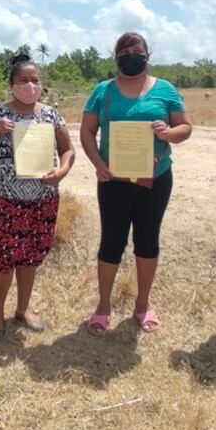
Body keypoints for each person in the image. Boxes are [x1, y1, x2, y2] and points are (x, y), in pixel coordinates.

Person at [79, 32, 191, 335]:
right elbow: (87, 131)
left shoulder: (165, 90)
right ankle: (103, 306)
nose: (132, 54)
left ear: (147, 54)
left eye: (137, 50)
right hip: (112, 179)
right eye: (125, 50)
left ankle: (142, 304)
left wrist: (168, 133)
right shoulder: (102, 91)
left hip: (155, 179)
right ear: (116, 56)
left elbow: (185, 127)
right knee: (111, 241)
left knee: (147, 240)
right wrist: (98, 164)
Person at [0, 52, 75, 341]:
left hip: (43, 198)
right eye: (23, 80)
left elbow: (68, 150)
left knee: (30, 257)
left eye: (35, 80)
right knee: (4, 258)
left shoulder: (51, 115)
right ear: (11, 84)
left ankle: (23, 309)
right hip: (5, 199)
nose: (30, 85)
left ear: (42, 84)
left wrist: (62, 170)